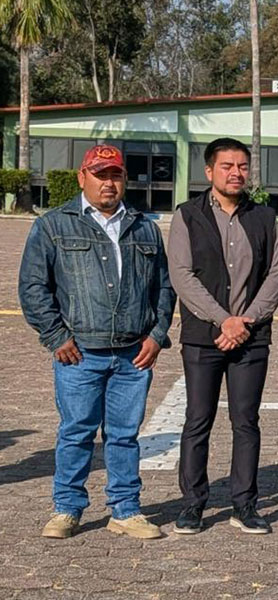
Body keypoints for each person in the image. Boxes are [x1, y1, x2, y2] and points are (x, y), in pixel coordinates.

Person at [19, 144, 175, 540]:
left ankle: (125, 510)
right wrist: (55, 336)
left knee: (125, 435)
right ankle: (67, 508)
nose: (109, 182)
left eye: (116, 175)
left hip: (132, 355)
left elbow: (164, 287)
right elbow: (34, 288)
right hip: (79, 353)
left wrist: (157, 336)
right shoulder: (54, 225)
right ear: (82, 178)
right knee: (76, 431)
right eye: (100, 174)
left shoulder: (144, 227)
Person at [168, 138, 278, 535]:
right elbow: (182, 276)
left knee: (246, 422)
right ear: (209, 171)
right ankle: (193, 505)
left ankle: (245, 504)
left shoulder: (265, 217)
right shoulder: (187, 215)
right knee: (198, 420)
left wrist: (246, 321)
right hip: (204, 338)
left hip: (250, 339)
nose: (236, 172)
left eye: (242, 166)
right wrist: (224, 320)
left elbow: (276, 275)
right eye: (227, 166)